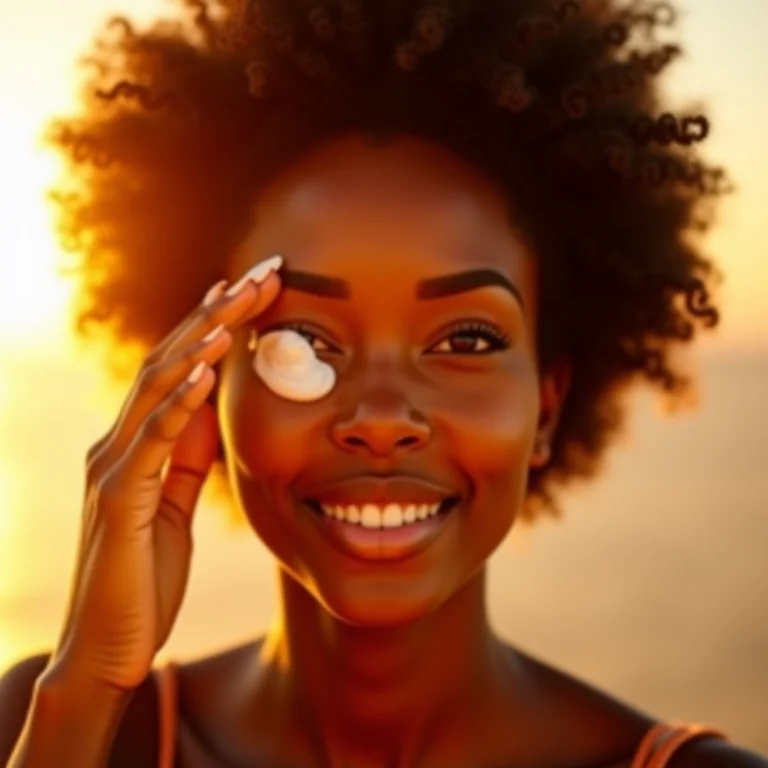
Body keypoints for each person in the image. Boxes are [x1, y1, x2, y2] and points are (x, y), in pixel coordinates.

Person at [1, 0, 765, 765]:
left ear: (547, 408)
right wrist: (86, 690)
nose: (380, 417)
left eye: (466, 337)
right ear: (206, 391)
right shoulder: (58, 729)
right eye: (300, 339)